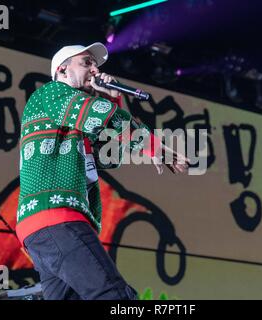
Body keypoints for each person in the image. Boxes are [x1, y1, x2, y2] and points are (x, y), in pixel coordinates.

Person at [15, 43, 189, 300]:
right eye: (86, 63)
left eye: (95, 64)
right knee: (115, 296)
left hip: (45, 229)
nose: (95, 69)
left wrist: (111, 97)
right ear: (63, 69)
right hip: (57, 219)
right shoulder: (51, 93)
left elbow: (110, 153)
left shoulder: (71, 118)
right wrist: (156, 148)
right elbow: (102, 116)